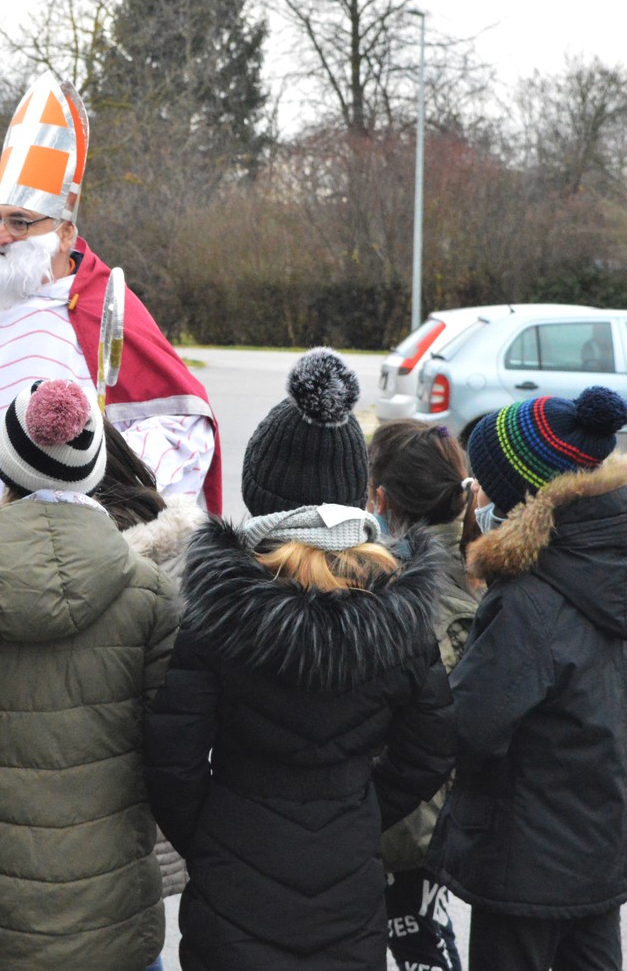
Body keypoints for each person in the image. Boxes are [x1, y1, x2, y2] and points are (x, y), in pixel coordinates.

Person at [0, 69, 221, 971]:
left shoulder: (106, 321)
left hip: (87, 624)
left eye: (19, 224)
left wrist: (122, 540)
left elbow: (179, 455)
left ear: (66, 230)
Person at [144, 349, 457, 971]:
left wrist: (214, 835)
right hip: (348, 893)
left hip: (233, 891)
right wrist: (361, 814)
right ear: (354, 496)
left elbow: (172, 759)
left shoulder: (215, 612)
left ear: (258, 493)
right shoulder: (399, 612)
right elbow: (431, 750)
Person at [0, 379, 179, 971]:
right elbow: (173, 744)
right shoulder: (149, 592)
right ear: (93, 468)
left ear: (6, 464)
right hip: (117, 902)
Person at [428, 387, 627, 971]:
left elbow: (466, 726)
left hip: (526, 864)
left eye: (482, 481)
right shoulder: (612, 571)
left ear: (514, 497)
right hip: (597, 848)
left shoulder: (528, 602)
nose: (473, 494)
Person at [91, 422, 208, 971]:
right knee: (138, 947)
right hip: (152, 813)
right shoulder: (186, 556)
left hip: (58, 823)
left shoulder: (68, 566)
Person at [367, 419, 482, 971]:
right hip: (450, 817)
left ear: (381, 500)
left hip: (403, 828)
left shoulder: (402, 592)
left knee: (417, 947)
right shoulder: (480, 564)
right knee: (430, 945)